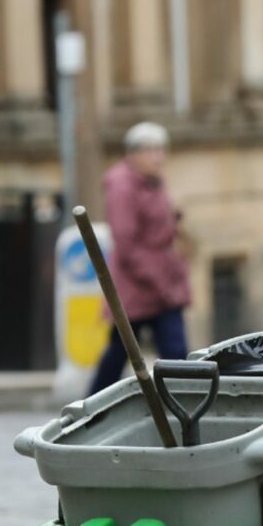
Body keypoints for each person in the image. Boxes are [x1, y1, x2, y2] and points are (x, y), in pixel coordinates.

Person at [87, 122, 191, 397]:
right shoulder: (122, 186)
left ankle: (184, 403)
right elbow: (126, 243)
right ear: (133, 154)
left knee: (175, 352)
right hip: (138, 284)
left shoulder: (154, 180)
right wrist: (158, 281)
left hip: (163, 283)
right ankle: (90, 408)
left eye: (162, 149)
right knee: (119, 352)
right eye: (151, 150)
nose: (159, 157)